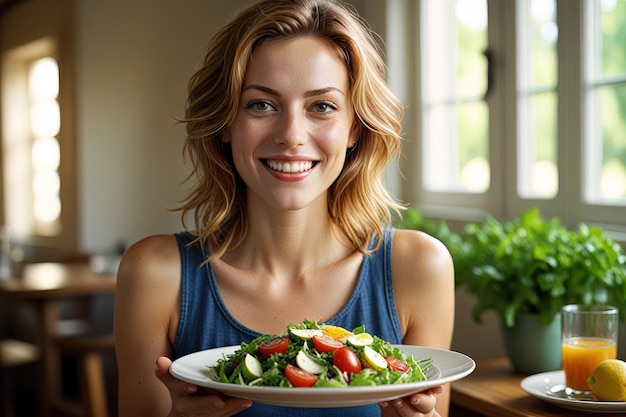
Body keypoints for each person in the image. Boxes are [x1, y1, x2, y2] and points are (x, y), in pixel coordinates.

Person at [114, 0, 455, 416]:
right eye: (261, 104)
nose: (291, 135)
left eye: (322, 106)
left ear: (355, 128)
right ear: (224, 123)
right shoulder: (154, 273)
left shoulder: (418, 268)